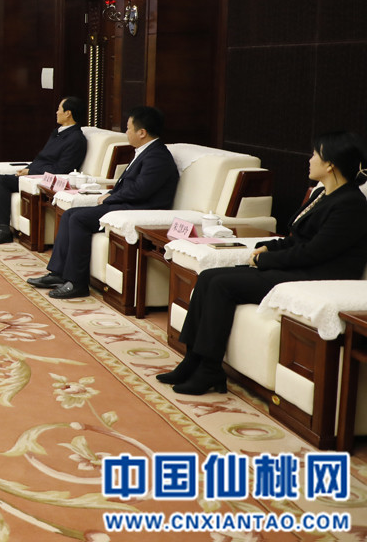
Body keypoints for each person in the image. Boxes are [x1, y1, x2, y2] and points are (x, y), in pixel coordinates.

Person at [159, 131, 367, 395]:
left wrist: (266, 259)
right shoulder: (324, 194)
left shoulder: (350, 204)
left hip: (318, 276)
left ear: (330, 164)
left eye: (315, 154)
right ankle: (192, 359)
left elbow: (315, 252)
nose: (309, 159)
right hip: (301, 267)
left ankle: (209, 369)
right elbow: (298, 239)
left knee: (222, 285)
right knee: (209, 276)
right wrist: (268, 247)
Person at [27, 106, 179, 299]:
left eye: (128, 128)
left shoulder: (158, 156)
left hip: (138, 209)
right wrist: (110, 193)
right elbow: (129, 185)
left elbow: (141, 190)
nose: (126, 133)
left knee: (78, 219)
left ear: (142, 132)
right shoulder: (145, 151)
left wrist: (110, 197)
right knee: (70, 214)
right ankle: (58, 274)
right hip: (126, 204)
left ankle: (77, 283)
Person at [0, 96, 88, 245]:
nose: (56, 112)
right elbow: (43, 158)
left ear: (68, 113)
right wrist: (28, 169)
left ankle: (4, 230)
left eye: (59, 109)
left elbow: (61, 169)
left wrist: (31, 172)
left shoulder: (76, 139)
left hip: (47, 180)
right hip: (36, 173)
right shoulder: (58, 132)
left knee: (1, 181)